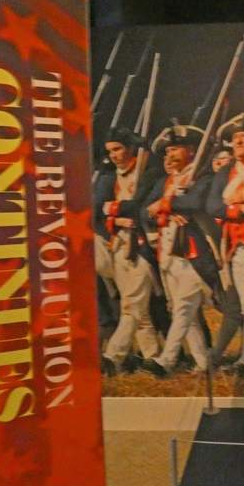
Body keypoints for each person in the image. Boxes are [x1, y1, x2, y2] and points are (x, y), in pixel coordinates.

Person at [140, 124, 218, 377]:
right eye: (167, 151)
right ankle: (203, 362)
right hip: (168, 255)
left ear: (192, 151)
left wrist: (166, 204)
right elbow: (144, 213)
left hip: (194, 254)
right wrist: (164, 209)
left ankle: (167, 360)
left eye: (175, 149)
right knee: (186, 312)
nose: (169, 155)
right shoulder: (164, 182)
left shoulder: (203, 178)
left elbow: (196, 202)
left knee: (184, 306)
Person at [94, 126, 162, 376]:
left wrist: (109, 209)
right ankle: (153, 358)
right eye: (110, 150)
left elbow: (140, 207)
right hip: (118, 246)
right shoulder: (110, 177)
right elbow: (94, 209)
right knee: (137, 309)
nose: (113, 155)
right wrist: (115, 216)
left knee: (131, 305)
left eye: (118, 149)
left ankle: (113, 356)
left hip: (143, 247)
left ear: (131, 148)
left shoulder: (149, 173)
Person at [206, 113, 244, 377]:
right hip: (240, 246)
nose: (238, 141)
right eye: (234, 138)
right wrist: (237, 208)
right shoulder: (225, 171)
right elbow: (212, 206)